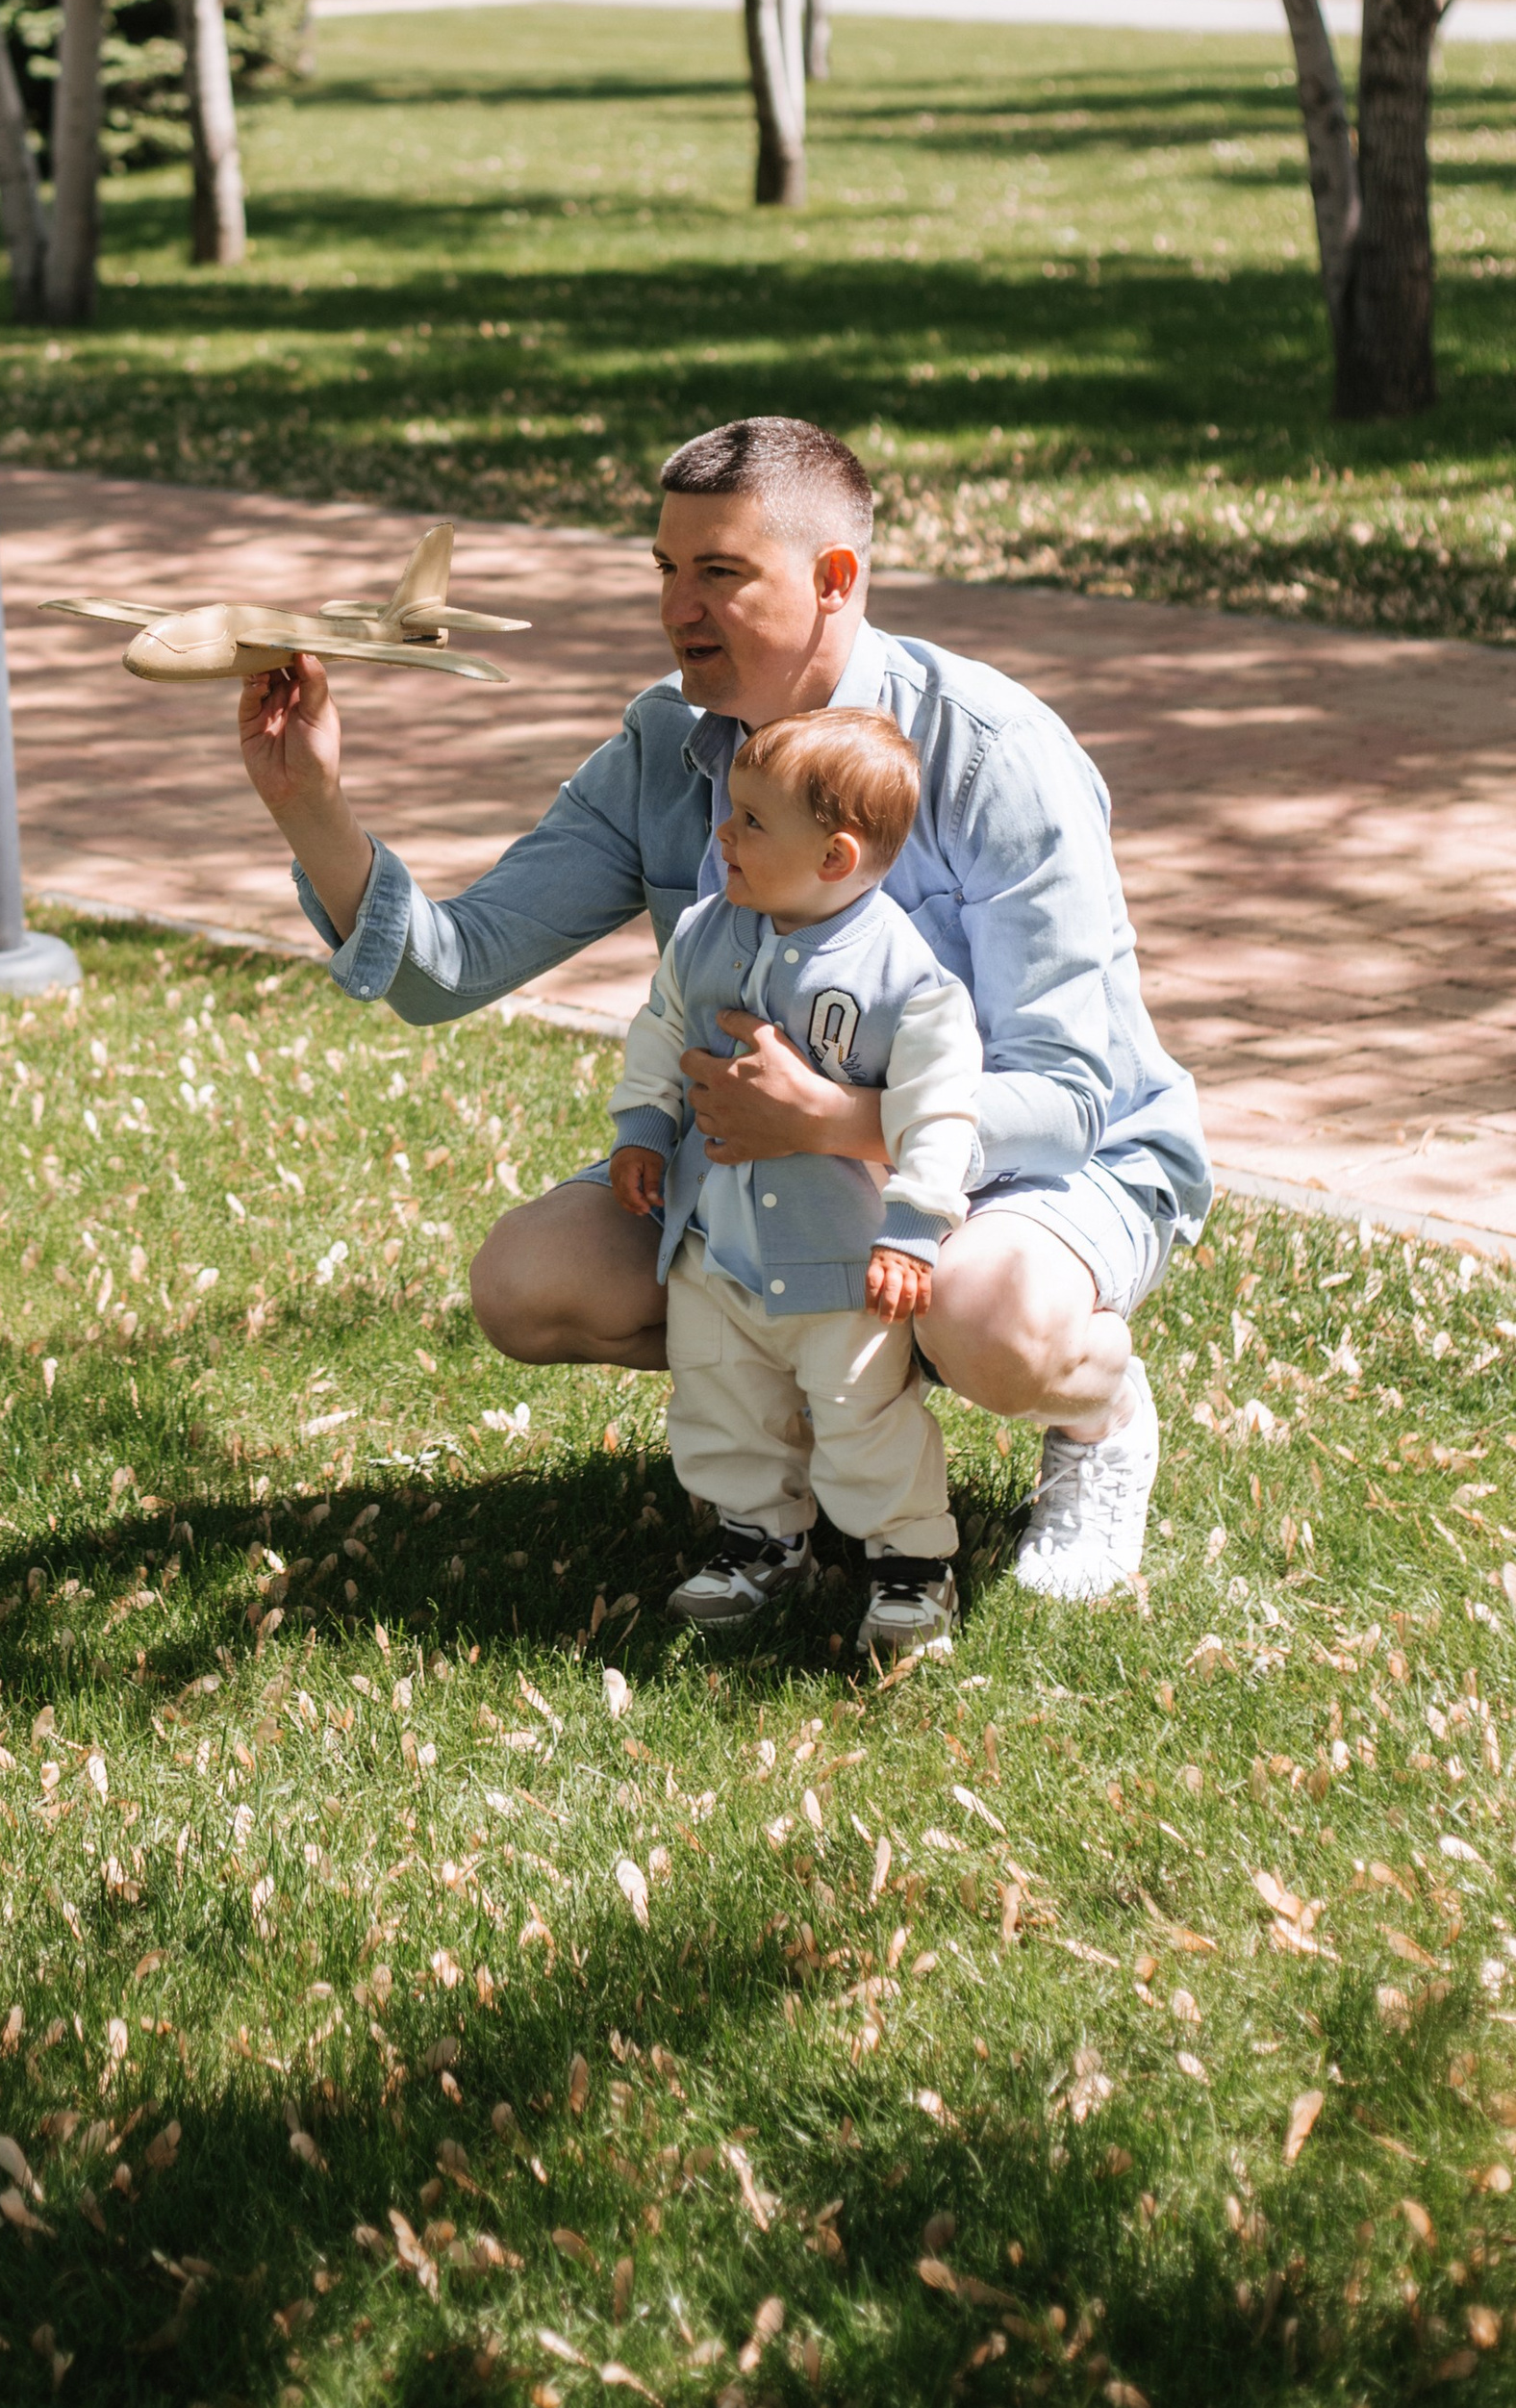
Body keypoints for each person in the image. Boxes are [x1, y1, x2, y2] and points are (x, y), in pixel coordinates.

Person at [238, 415, 1209, 1603]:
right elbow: (450, 968)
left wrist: (840, 1124)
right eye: (664, 568)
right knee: (528, 1281)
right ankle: (790, 1435)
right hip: (765, 1180)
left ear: (834, 579)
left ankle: (1098, 1417)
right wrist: (311, 807)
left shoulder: (992, 753)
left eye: (720, 574)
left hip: (1029, 1179)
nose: (675, 609)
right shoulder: (666, 744)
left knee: (988, 1320)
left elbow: (1070, 1099)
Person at [611, 706, 981, 1655]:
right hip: (717, 1242)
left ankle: (909, 1566)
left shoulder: (907, 980)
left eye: (748, 822)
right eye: (728, 812)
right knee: (718, 1399)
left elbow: (936, 1114)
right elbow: (663, 1023)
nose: (720, 835)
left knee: (860, 1415)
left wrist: (912, 1227)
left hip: (841, 1260)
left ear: (833, 857)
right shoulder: (707, 929)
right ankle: (758, 1543)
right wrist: (645, 1127)